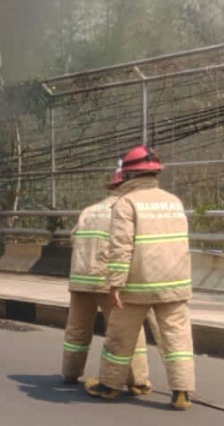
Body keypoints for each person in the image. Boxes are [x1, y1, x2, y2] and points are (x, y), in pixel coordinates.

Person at [85, 146, 195, 410]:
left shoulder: (127, 203)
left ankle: (110, 386)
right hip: (175, 284)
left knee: (120, 336)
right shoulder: (174, 201)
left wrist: (115, 284)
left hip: (137, 285)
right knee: (177, 339)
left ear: (129, 175)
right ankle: (182, 393)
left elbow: (121, 246)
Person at [62, 167, 152, 392]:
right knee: (128, 331)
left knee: (77, 330)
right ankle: (138, 380)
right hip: (107, 281)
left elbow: (74, 237)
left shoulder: (89, 211)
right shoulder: (124, 211)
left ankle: (71, 372)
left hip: (81, 280)